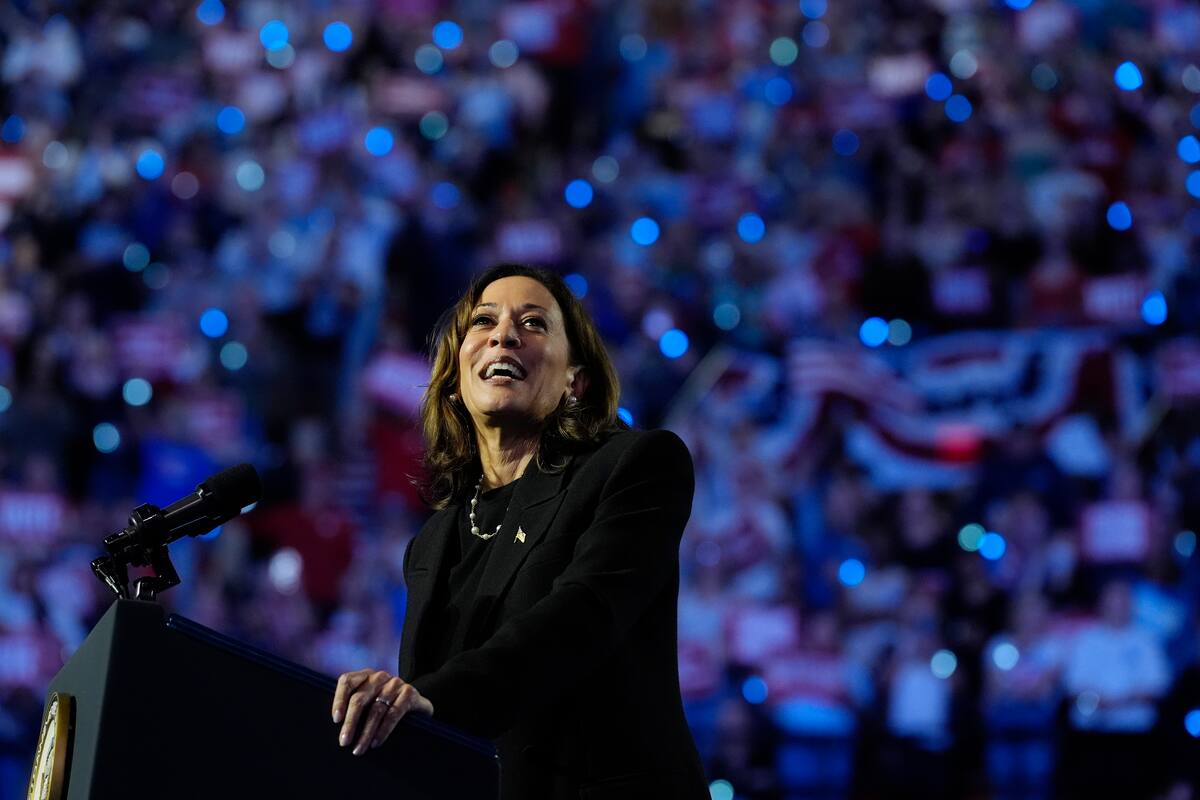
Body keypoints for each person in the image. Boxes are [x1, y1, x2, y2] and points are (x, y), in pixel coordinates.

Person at [330, 263, 709, 799]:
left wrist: (428, 696)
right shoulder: (431, 543)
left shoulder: (636, 465)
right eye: (483, 321)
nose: (502, 334)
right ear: (457, 378)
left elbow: (580, 618)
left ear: (575, 382)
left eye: (533, 323)